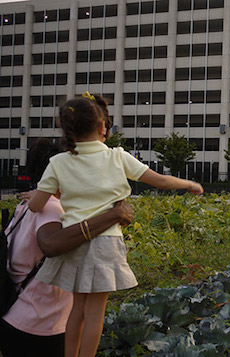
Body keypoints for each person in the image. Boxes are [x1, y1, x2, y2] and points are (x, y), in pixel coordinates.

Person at [27, 92, 203, 357]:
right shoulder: (117, 157)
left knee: (77, 309)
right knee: (95, 313)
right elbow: (160, 181)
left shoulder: (58, 162)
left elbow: (35, 206)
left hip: (74, 241)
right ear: (102, 127)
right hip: (105, 243)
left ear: (67, 130)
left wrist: (41, 193)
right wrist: (190, 184)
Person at [0, 139, 135, 357]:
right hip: (39, 325)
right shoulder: (51, 207)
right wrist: (114, 214)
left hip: (18, 315)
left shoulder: (29, 203)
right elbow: (51, 244)